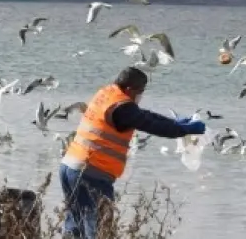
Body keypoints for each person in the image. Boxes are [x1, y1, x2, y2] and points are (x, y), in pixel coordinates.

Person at [60, 66, 206, 238]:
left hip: (70, 167)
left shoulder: (107, 94)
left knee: (75, 225)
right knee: (99, 230)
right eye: (141, 91)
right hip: (92, 173)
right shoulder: (122, 107)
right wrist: (182, 130)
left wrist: (175, 122)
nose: (141, 95)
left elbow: (144, 115)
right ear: (129, 89)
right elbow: (150, 124)